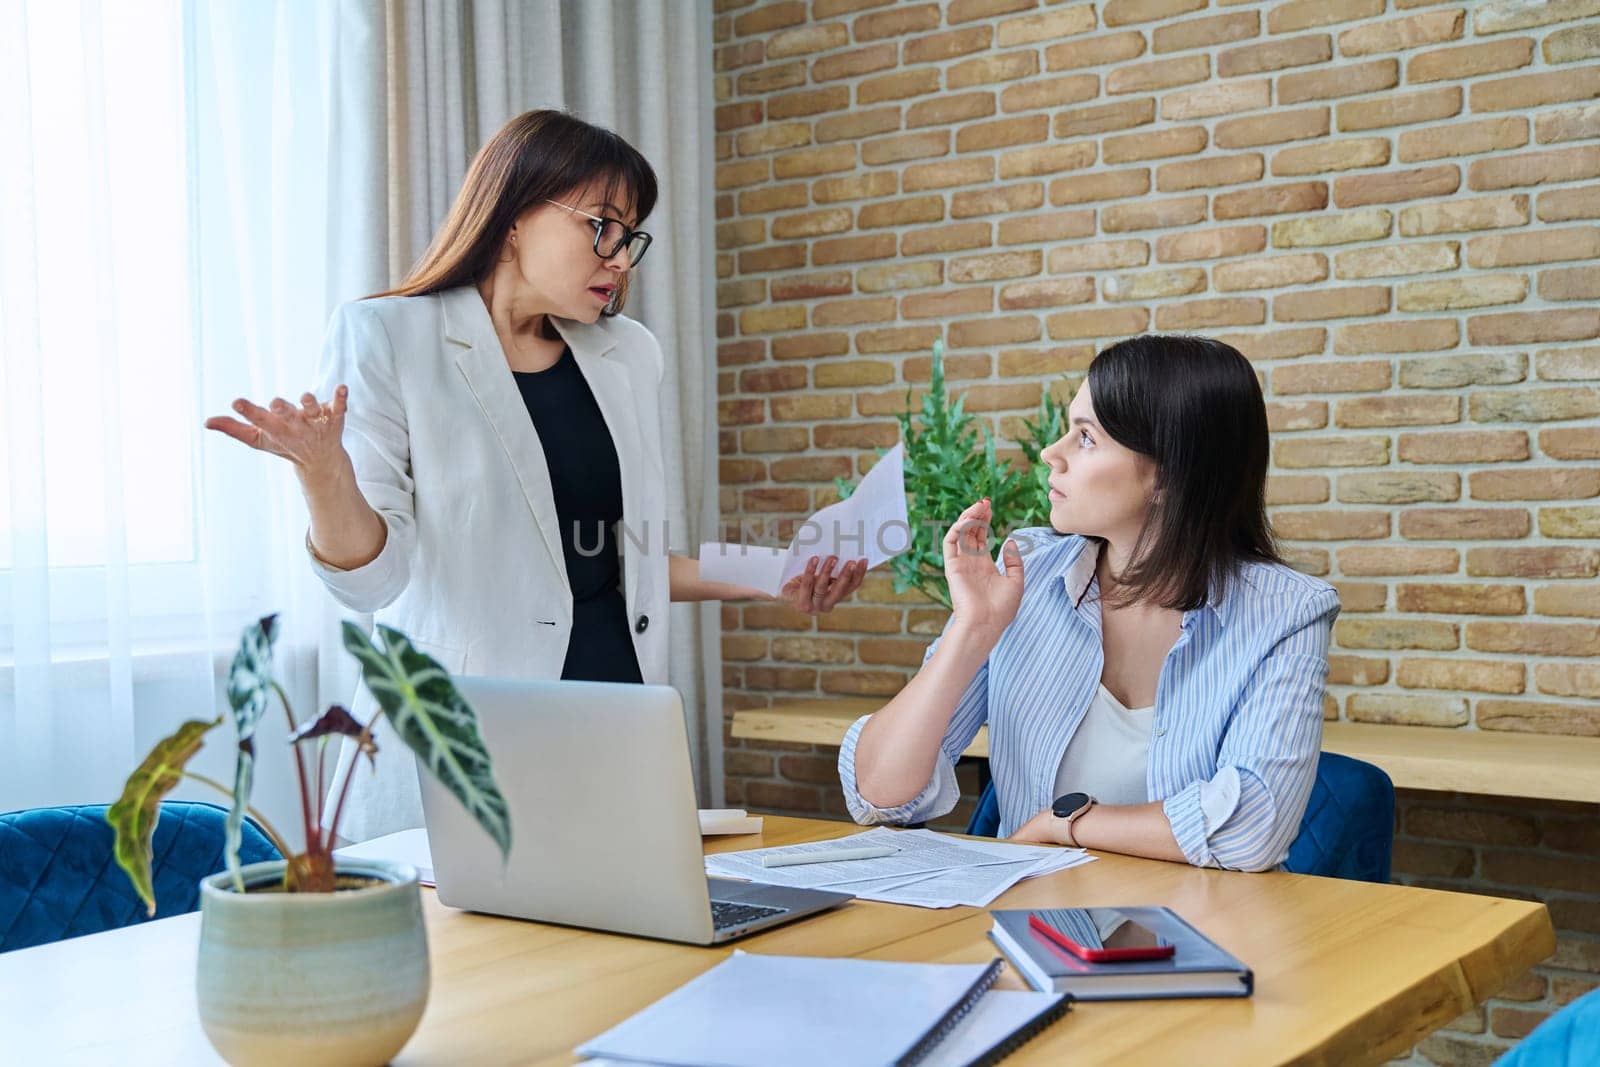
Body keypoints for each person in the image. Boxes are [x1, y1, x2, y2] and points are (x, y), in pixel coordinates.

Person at [205, 110, 864, 841]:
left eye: (631, 236)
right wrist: (325, 474)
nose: (622, 259)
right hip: (467, 739)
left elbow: (627, 558)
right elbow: (372, 581)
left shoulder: (628, 355)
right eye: (603, 227)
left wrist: (780, 572)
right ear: (515, 216)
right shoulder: (388, 337)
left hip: (613, 724)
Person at [840, 335, 1340, 872]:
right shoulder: (1025, 577)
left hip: (1201, 935)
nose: (1050, 454)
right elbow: (878, 797)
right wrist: (972, 630)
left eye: (1085, 438)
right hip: (1030, 930)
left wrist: (1066, 823)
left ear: (1169, 473)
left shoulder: (1287, 611)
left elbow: (1252, 828)